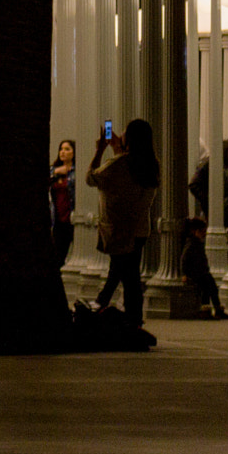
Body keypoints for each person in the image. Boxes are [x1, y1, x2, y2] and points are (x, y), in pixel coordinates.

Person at [88, 119, 159, 325]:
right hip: (139, 230)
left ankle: (113, 310)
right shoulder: (151, 164)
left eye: (125, 132)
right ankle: (126, 314)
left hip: (119, 229)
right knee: (127, 273)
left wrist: (100, 150)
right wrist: (119, 150)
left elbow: (92, 178)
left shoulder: (119, 164)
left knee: (125, 275)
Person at [179, 216, 228, 318]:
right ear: (195, 231)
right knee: (207, 288)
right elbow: (184, 260)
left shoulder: (197, 243)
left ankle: (214, 309)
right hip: (196, 274)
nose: (204, 234)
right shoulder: (192, 244)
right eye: (202, 231)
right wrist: (184, 274)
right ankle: (209, 309)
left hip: (201, 272)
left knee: (212, 287)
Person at [49, 139, 78, 267]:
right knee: (56, 253)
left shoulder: (75, 172)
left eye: (67, 149)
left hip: (70, 215)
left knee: (65, 250)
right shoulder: (54, 170)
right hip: (57, 216)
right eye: (61, 149)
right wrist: (55, 172)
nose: (63, 152)